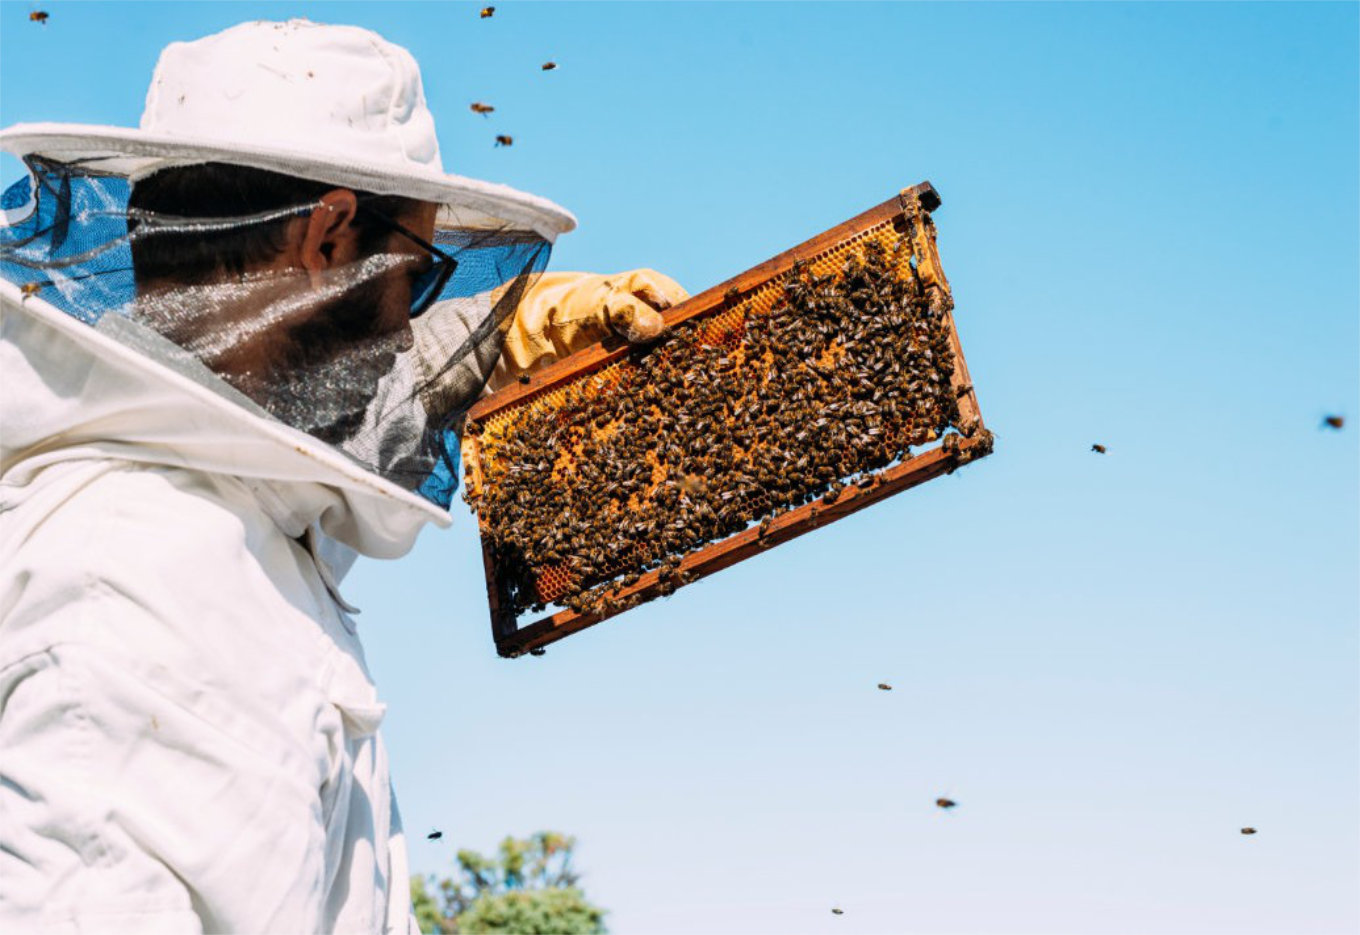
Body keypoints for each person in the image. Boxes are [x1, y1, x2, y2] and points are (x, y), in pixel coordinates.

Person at [0, 19, 686, 933]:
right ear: (327, 235)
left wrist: (502, 341)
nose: (413, 324)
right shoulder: (139, 593)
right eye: (422, 274)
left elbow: (315, 427)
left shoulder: (214, 517)